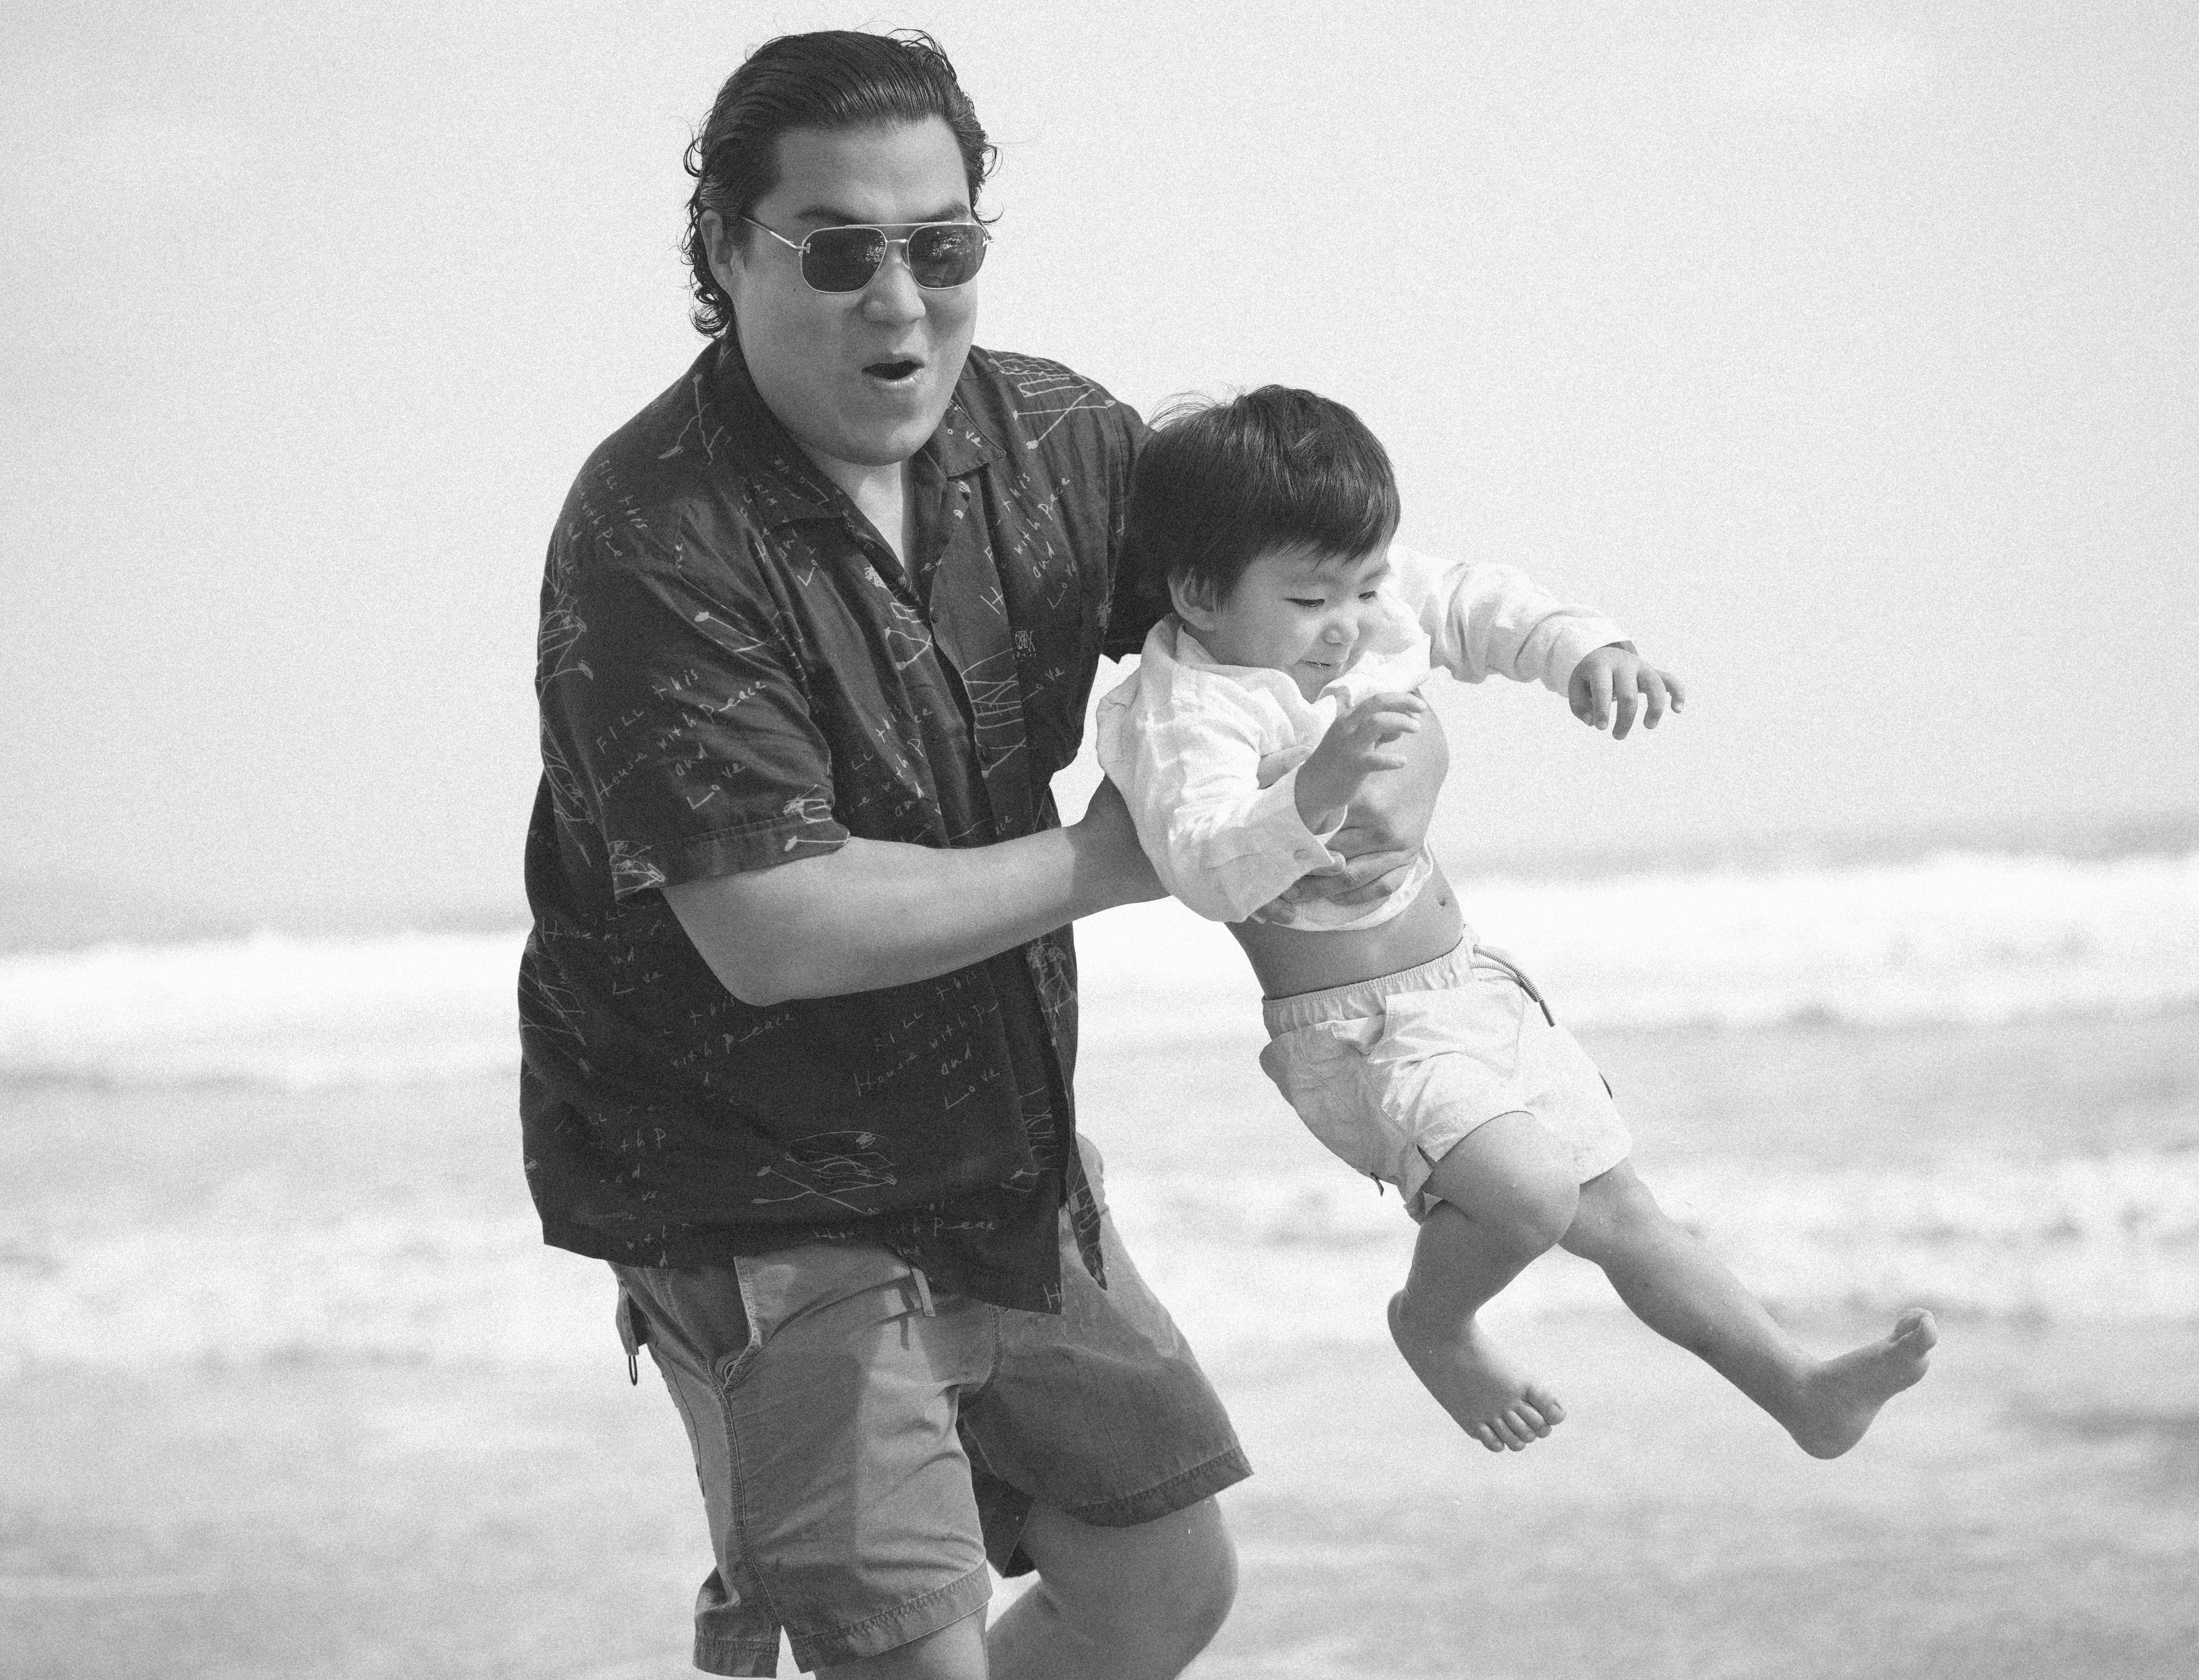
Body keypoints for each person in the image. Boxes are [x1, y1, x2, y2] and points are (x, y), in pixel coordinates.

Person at [521, 31, 1435, 1680]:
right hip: (755, 1193)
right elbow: (777, 927)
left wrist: (1391, 763)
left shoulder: (1064, 443)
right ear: (728, 254)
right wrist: (1123, 858)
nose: (900, 299)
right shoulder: (654, 534)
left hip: (999, 1163)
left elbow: (1282, 629)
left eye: (940, 248)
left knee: (1161, 1584)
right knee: (907, 1653)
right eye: (838, 251)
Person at [1095, 385, 1938, 1456]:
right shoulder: (1184, 711)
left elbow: (1469, 603)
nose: (1349, 623)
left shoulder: (1361, 610)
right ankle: (1434, 1322)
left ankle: (1800, 1389)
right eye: (1311, 600)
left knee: (1623, 1212)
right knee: (1530, 1195)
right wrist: (1313, 789)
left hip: (1472, 985)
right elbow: (1204, 864)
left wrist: (1584, 650)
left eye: (1364, 586)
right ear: (1199, 594)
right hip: (1362, 1033)